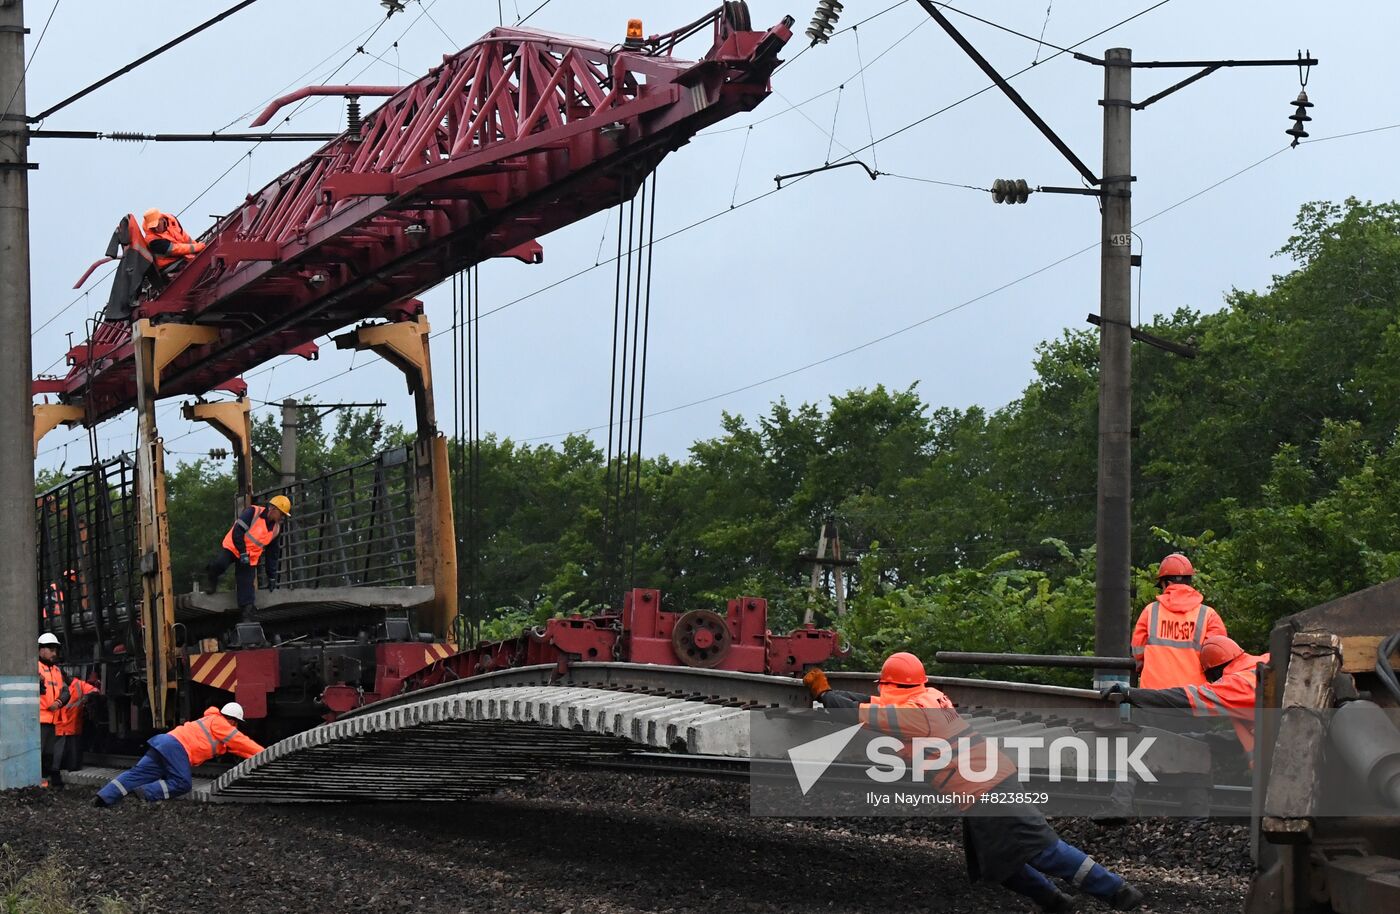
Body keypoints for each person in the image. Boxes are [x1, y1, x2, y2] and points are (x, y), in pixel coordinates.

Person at [805, 653, 1145, 912]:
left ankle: (1116, 890)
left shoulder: (911, 714)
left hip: (986, 787)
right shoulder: (927, 697)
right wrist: (833, 692)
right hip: (985, 784)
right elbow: (869, 705)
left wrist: (824, 695)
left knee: (1042, 850)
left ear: (889, 685)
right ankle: (1057, 903)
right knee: (996, 862)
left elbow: (858, 712)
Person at [1104, 635, 1268, 756]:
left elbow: (1181, 699)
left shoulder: (1234, 685)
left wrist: (1130, 693)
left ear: (1215, 671)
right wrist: (1195, 738)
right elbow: (1246, 738)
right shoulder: (1266, 661)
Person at [94, 703, 263, 806]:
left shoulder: (210, 721)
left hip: (164, 742)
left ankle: (103, 797)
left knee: (138, 773)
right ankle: (144, 794)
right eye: (237, 724)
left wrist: (253, 757)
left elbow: (238, 749)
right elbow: (241, 742)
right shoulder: (221, 723)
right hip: (177, 748)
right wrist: (266, 754)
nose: (236, 728)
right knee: (182, 783)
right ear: (233, 720)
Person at [1130, 553, 1227, 689]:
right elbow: (1220, 658)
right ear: (1189, 582)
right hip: (1192, 696)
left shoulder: (1150, 611)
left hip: (1152, 695)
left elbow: (1138, 652)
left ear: (1167, 583)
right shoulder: (1208, 615)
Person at [205, 495, 290, 621]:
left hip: (250, 557)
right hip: (234, 546)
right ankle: (212, 577)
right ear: (274, 509)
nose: (282, 518)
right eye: (282, 514)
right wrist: (242, 552)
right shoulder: (252, 512)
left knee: (246, 586)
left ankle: (247, 616)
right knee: (220, 564)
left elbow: (272, 555)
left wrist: (272, 576)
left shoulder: (276, 529)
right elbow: (237, 531)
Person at [37, 633, 70, 789]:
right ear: (41, 650)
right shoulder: (34, 668)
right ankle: (40, 782)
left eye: (55, 649)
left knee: (51, 753)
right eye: (51, 649)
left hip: (55, 718)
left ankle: (50, 781)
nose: (54, 653)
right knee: (40, 753)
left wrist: (58, 703)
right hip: (40, 719)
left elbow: (66, 692)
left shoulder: (57, 670)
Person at [141, 208, 205, 271]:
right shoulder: (152, 240)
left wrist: (196, 245)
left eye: (157, 225)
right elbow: (175, 249)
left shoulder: (172, 220)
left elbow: (184, 236)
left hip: (183, 257)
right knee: (197, 266)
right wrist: (198, 247)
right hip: (169, 265)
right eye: (152, 227)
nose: (156, 229)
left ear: (162, 219)